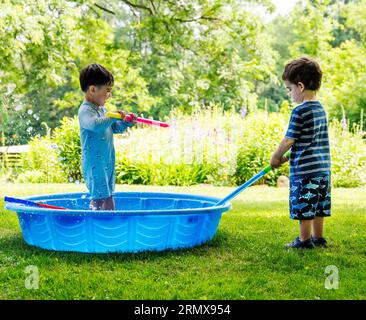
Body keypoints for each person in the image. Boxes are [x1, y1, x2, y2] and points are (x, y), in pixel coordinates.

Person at [270, 57, 331, 249]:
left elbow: (289, 139)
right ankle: (318, 237)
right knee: (318, 205)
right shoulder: (320, 109)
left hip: (305, 172)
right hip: (322, 170)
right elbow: (309, 141)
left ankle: (304, 241)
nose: (290, 94)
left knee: (304, 206)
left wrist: (276, 156)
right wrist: (289, 157)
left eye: (290, 89)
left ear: (301, 86)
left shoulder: (299, 111)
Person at [78, 63, 137, 210]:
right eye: (107, 90)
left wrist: (126, 123)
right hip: (94, 163)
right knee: (98, 198)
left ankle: (111, 223)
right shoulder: (85, 110)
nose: (109, 95)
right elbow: (95, 125)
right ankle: (91, 223)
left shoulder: (102, 109)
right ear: (92, 89)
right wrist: (112, 117)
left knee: (109, 194)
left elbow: (113, 128)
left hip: (107, 160)